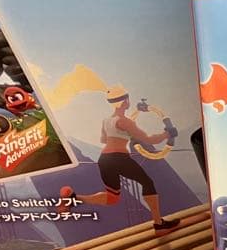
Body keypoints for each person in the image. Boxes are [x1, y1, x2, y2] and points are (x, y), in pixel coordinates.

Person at [59, 85, 179, 232]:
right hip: (118, 158)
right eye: (128, 99)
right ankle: (159, 224)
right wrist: (167, 134)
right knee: (147, 183)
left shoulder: (106, 120)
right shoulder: (125, 121)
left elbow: (104, 139)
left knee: (112, 197)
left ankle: (74, 198)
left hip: (104, 159)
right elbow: (149, 140)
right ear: (125, 101)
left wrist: (127, 135)